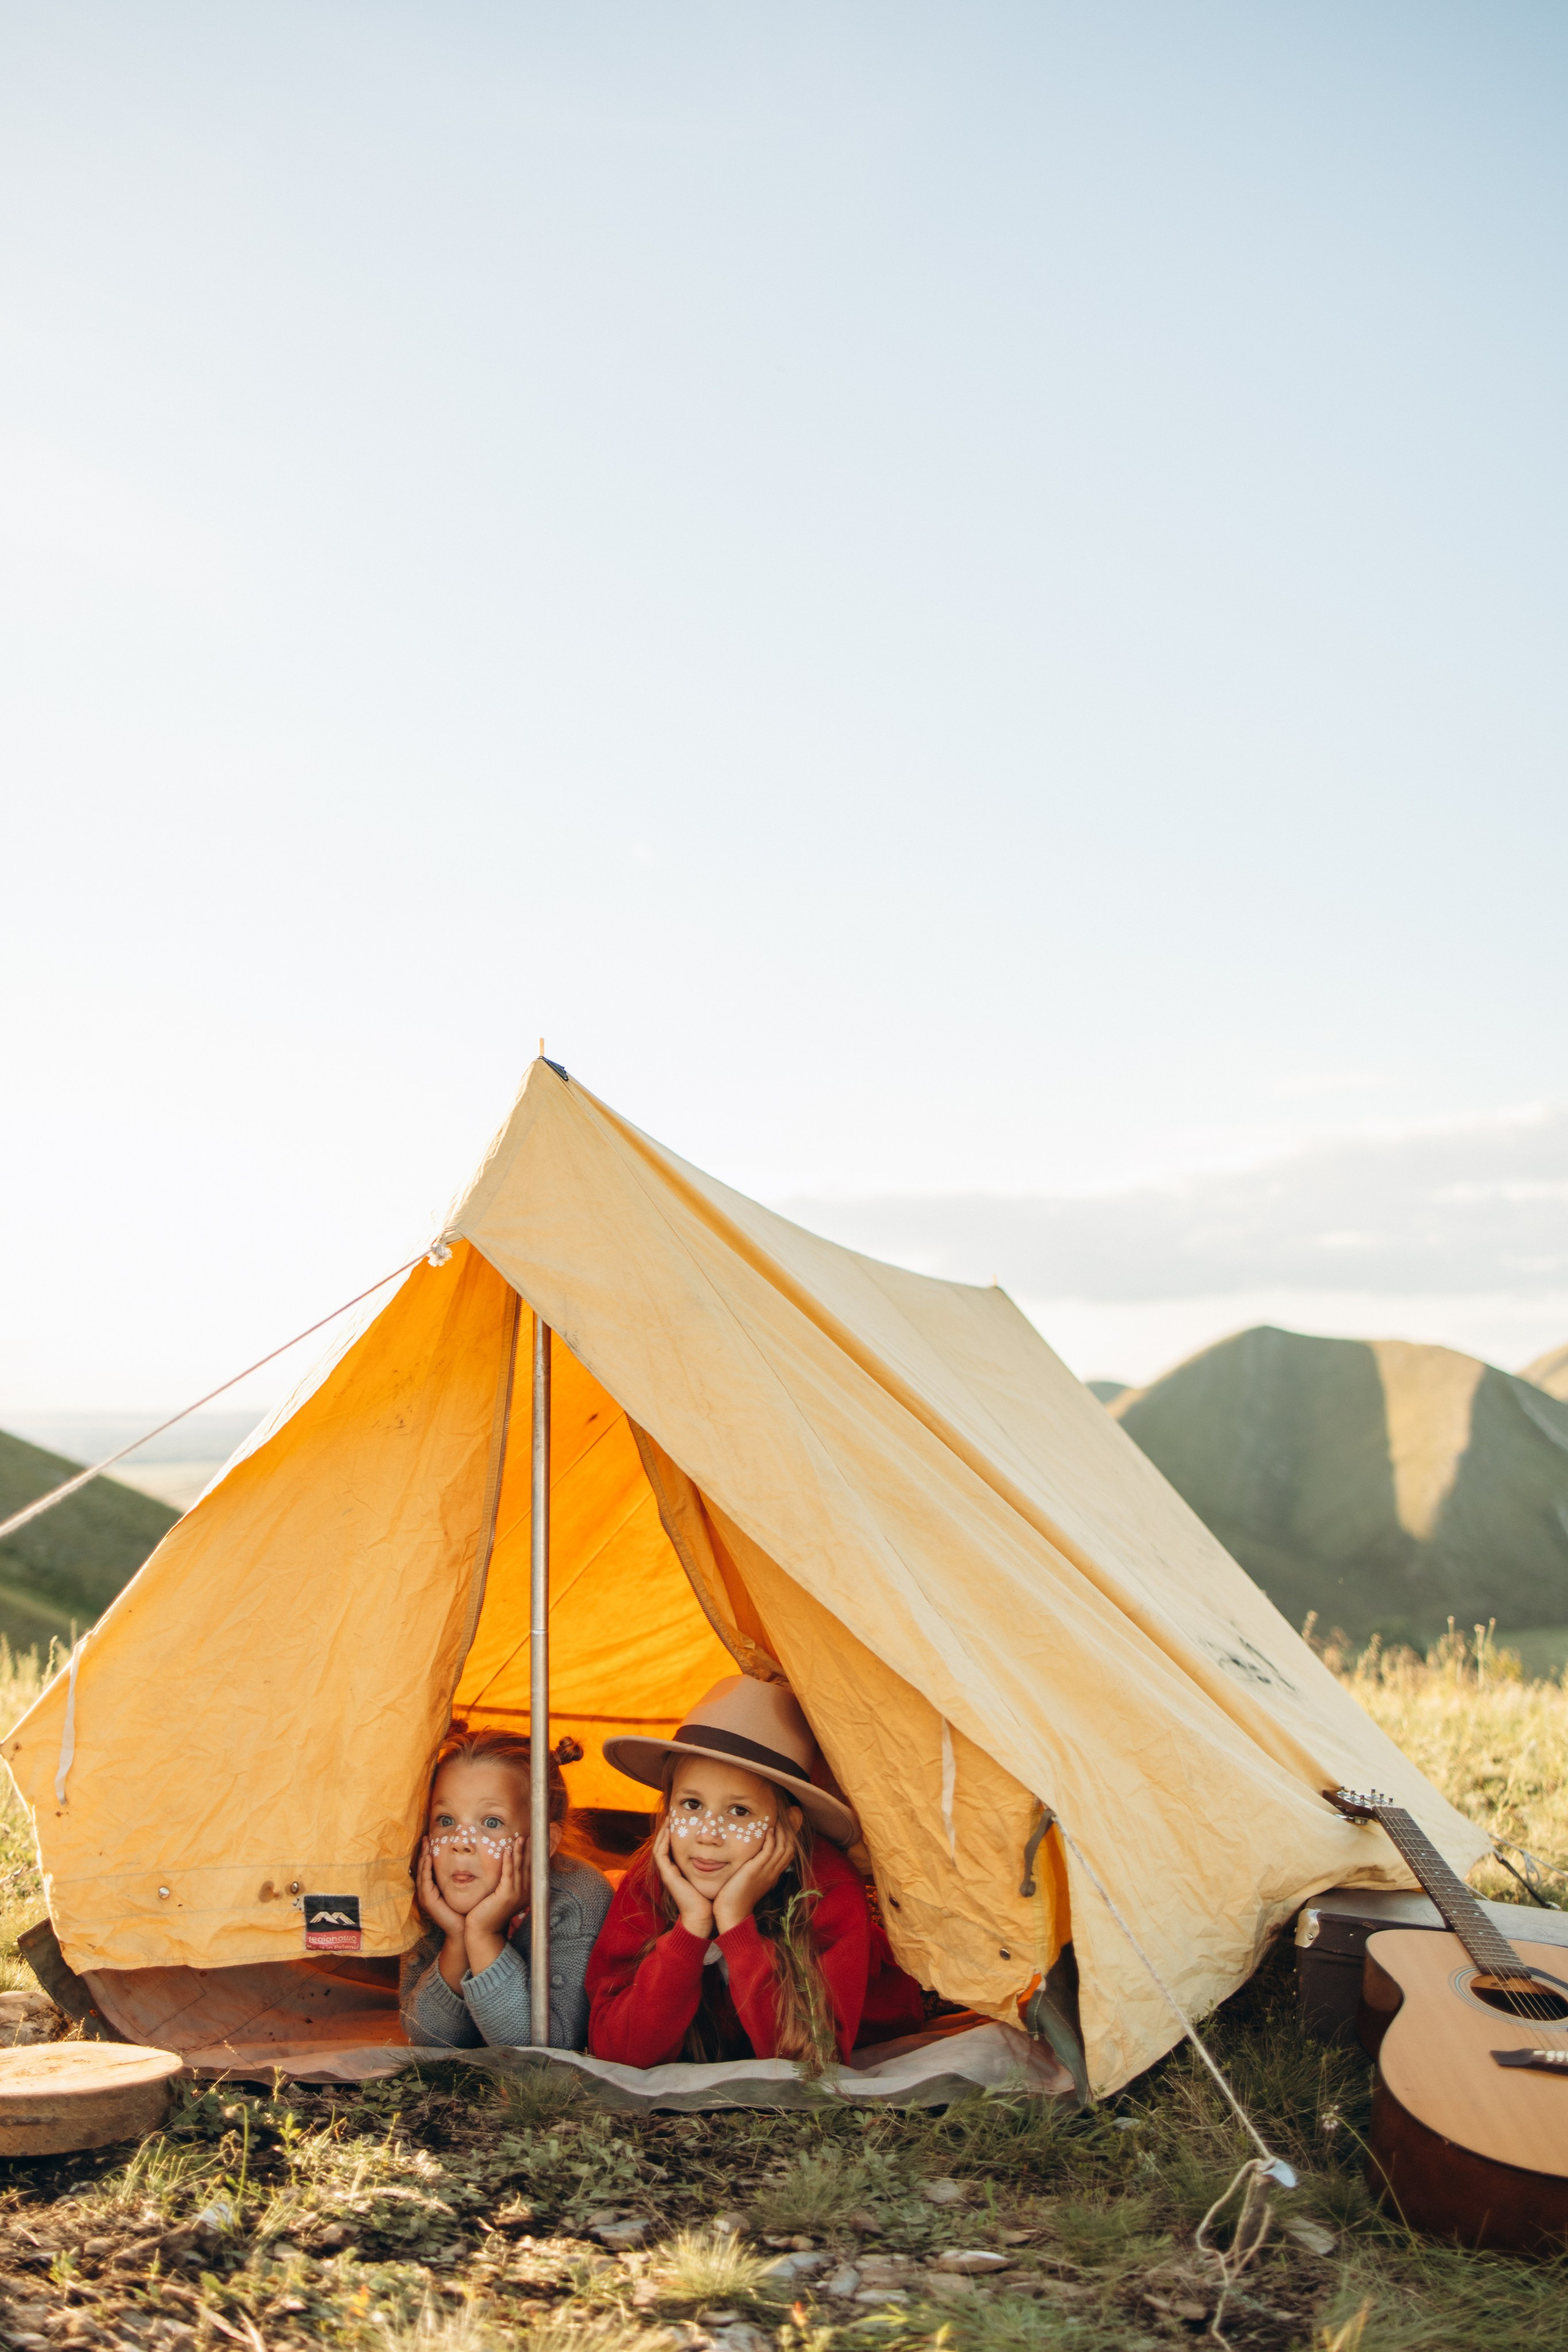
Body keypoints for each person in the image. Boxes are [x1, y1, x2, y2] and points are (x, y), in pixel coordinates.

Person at [586, 1676, 924, 2070]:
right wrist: (691, 1929)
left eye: (739, 1811)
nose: (708, 1835)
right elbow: (619, 2053)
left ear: (789, 1824)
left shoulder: (828, 1887)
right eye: (691, 1804)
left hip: (874, 2027)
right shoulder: (650, 1880)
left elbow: (811, 2063)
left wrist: (735, 1924)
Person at [400, 1722, 612, 2049]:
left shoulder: (580, 1899)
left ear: (545, 1842)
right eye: (446, 1820)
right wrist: (457, 1938)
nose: (461, 1843)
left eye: (491, 1822)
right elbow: (428, 2036)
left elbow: (545, 2046)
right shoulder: (428, 1892)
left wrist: (484, 1935)